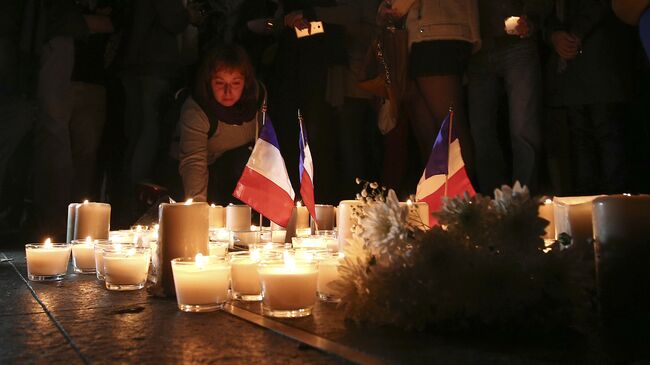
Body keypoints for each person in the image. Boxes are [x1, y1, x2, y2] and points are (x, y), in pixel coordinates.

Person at [378, 0, 480, 185]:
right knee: (430, 133)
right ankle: (439, 200)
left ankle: (463, 202)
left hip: (440, 32)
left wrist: (393, 8)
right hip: (419, 35)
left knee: (450, 129)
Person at [545, 0, 637, 195]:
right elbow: (546, 9)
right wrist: (555, 35)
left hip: (601, 54)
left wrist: (574, 34)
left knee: (606, 132)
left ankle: (616, 206)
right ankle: (588, 206)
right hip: (572, 67)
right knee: (580, 136)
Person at [467, 1, 552, 194]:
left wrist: (531, 19)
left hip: (518, 42)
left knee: (524, 126)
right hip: (477, 45)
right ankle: (493, 201)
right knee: (481, 129)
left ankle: (523, 201)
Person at [173, 44, 265, 203]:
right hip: (193, 174)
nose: (228, 92)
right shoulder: (197, 109)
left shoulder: (257, 99)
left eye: (236, 83)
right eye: (220, 83)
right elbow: (194, 162)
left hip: (233, 170)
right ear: (209, 82)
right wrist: (198, 207)